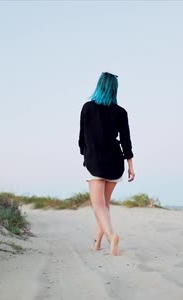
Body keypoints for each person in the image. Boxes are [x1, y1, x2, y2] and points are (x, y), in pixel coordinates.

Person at [78, 72, 135, 256]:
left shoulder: (87, 108)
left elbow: (82, 139)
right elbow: (126, 141)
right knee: (104, 205)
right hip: (115, 161)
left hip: (95, 160)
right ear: (114, 89)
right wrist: (131, 165)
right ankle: (97, 243)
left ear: (99, 86)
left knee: (98, 205)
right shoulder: (120, 112)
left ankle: (111, 236)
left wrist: (86, 156)